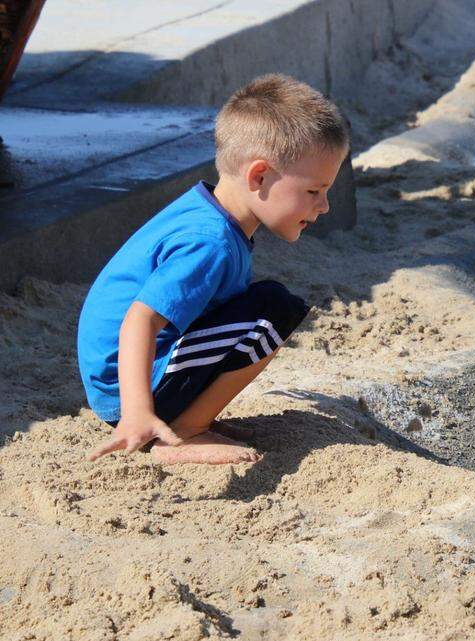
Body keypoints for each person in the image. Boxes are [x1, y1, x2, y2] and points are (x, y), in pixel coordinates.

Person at [78, 74, 349, 465]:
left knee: (257, 304)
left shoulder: (210, 213)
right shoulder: (210, 243)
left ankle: (187, 418)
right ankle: (183, 432)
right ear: (259, 176)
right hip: (128, 392)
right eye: (313, 191)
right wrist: (138, 412)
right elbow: (139, 320)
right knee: (273, 311)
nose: (323, 206)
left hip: (132, 378)